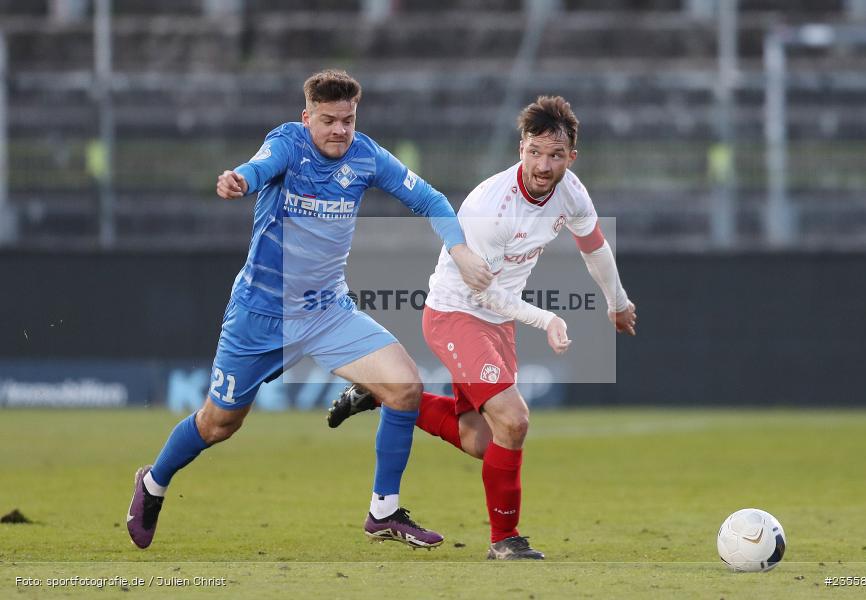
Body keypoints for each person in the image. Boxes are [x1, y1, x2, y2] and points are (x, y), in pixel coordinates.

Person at [126, 69, 492, 550]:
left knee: (405, 388)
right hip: (261, 314)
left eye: (348, 120)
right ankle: (153, 483)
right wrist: (241, 180)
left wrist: (460, 250)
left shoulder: (366, 156)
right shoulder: (288, 144)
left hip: (327, 312)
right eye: (329, 120)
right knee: (219, 423)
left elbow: (430, 199)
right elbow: (259, 166)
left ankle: (383, 511)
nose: (340, 130)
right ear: (307, 118)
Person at [327, 96, 637, 560]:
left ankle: (383, 393)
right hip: (457, 313)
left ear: (571, 158)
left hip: (496, 321)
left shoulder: (572, 192)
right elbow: (482, 293)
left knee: (483, 441)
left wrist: (616, 302)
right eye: (535, 152)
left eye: (555, 155)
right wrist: (547, 318)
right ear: (521, 149)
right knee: (515, 420)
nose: (543, 165)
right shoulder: (491, 207)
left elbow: (593, 246)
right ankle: (504, 541)